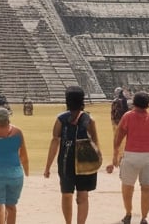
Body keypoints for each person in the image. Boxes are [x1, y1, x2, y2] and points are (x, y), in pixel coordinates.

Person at [44, 85, 101, 224]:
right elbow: (95, 142)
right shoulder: (89, 119)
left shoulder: (61, 119)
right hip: (85, 161)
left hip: (66, 160)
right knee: (83, 195)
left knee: (67, 194)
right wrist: (98, 160)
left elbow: (55, 141)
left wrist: (48, 166)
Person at [106, 91, 149, 224]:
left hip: (131, 155)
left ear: (134, 103)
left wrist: (115, 156)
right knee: (147, 188)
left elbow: (118, 138)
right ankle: (144, 217)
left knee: (127, 186)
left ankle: (128, 214)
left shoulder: (128, 116)